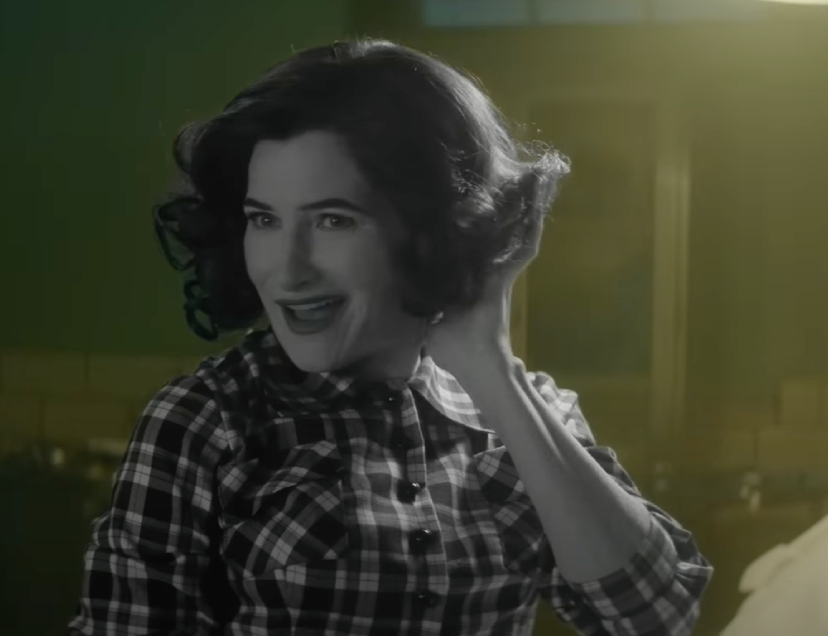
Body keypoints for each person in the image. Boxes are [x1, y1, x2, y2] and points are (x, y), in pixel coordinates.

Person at [69, 38, 712, 636]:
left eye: (333, 220)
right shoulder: (204, 420)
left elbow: (654, 619)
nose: (287, 270)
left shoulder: (529, 414)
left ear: (434, 231)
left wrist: (491, 371)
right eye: (264, 220)